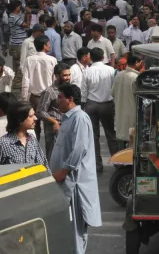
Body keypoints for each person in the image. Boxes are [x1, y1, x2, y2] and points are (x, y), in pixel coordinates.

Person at [51, 83, 102, 254]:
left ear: (70, 99)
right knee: (68, 228)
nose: (57, 101)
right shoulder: (68, 118)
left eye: (60, 97)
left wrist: (63, 172)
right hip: (66, 182)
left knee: (76, 231)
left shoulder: (79, 118)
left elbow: (79, 149)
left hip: (74, 183)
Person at [80, 47, 118, 173]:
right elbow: (114, 87)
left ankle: (97, 165)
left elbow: (84, 91)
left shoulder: (87, 71)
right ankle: (117, 163)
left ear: (91, 57)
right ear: (103, 58)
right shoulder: (111, 70)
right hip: (107, 104)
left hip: (91, 104)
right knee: (111, 134)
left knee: (93, 136)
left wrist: (83, 105)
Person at [0, 101, 49, 168]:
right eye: (31, 116)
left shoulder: (32, 140)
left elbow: (43, 165)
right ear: (20, 119)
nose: (35, 118)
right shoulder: (1, 144)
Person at [21, 35, 57, 140]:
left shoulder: (29, 60)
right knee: (48, 126)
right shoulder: (52, 60)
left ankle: (34, 145)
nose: (50, 45)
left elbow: (25, 81)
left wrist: (24, 99)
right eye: (48, 44)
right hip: (48, 98)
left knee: (33, 125)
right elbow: (55, 79)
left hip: (34, 97)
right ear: (44, 46)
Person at [112, 54, 142, 149]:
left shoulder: (119, 75)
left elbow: (113, 93)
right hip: (132, 115)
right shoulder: (136, 78)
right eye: (141, 62)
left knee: (122, 142)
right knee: (132, 142)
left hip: (120, 114)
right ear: (136, 63)